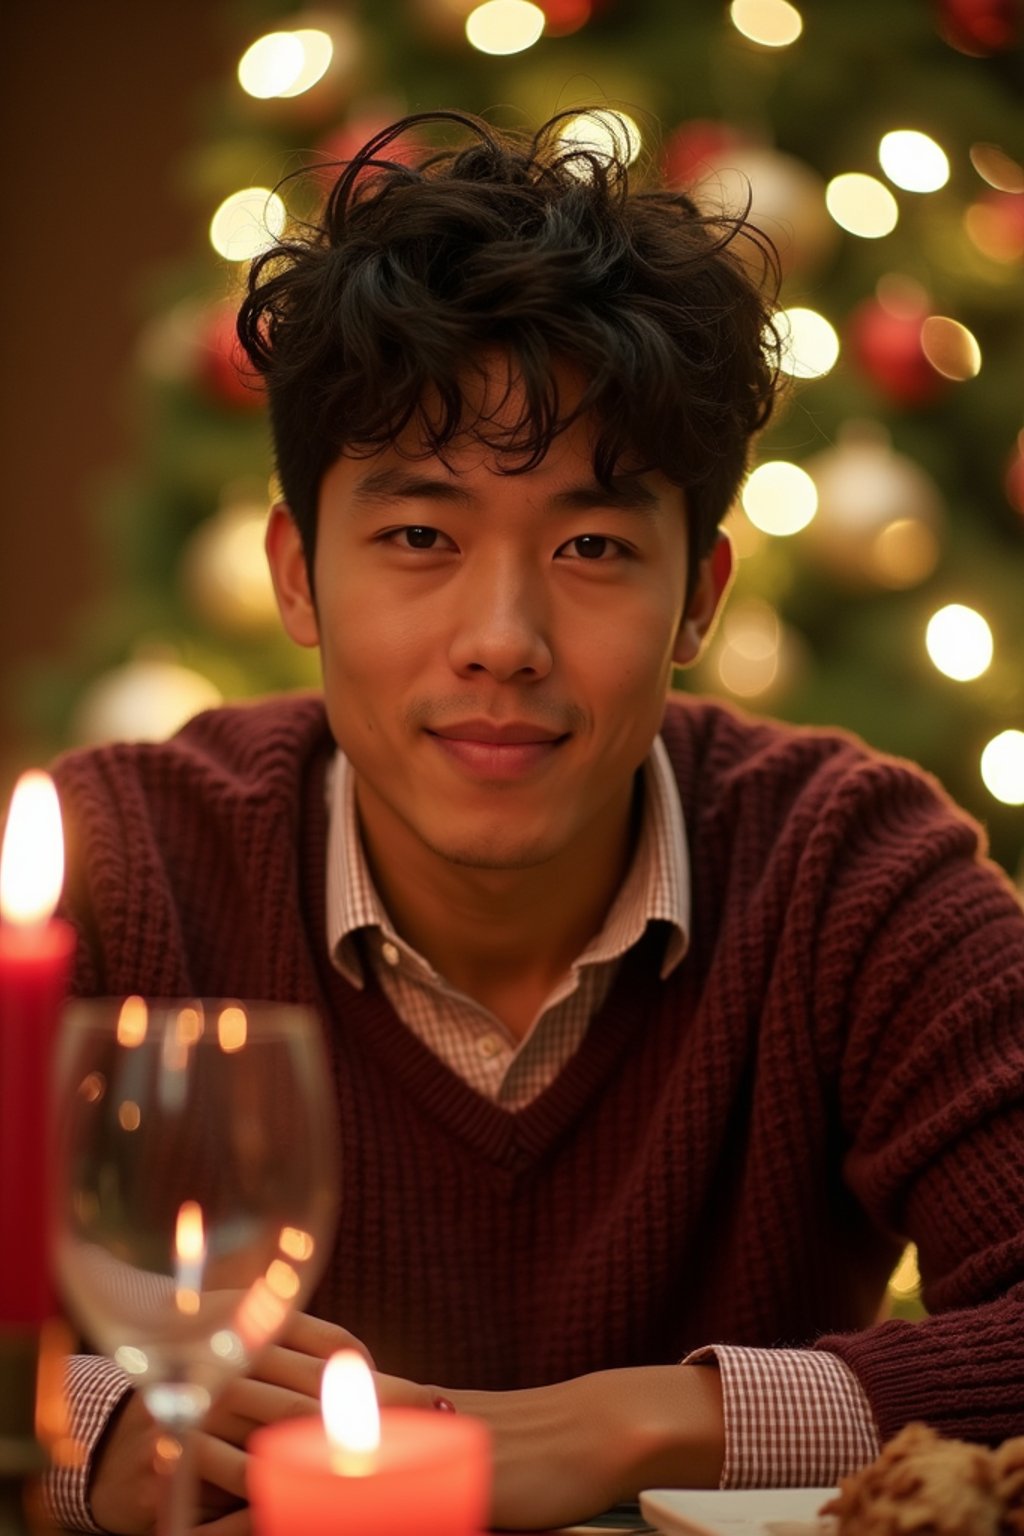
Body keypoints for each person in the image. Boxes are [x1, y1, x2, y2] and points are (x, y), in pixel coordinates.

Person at [47, 109, 1024, 1535]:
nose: (502, 639)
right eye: (421, 536)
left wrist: (641, 1422)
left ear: (700, 596)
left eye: (591, 547)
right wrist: (117, 1427)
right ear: (298, 575)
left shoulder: (849, 874)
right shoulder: (123, 867)